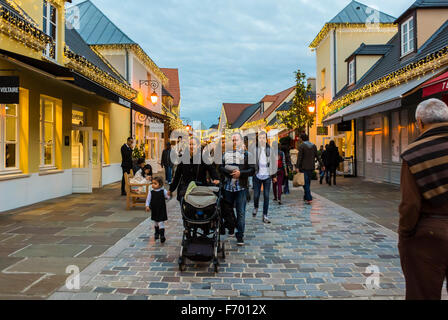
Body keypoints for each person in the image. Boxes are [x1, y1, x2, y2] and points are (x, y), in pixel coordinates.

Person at [398, 98, 448, 300]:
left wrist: (405, 233)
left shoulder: (414, 152)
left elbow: (410, 204)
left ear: (419, 123)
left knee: (423, 294)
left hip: (429, 233)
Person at [220, 132, 255, 246]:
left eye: (237, 140)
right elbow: (220, 167)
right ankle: (231, 227)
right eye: (233, 140)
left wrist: (241, 173)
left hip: (241, 187)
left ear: (241, 141)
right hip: (228, 187)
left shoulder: (247, 155)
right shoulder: (226, 154)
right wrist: (229, 172)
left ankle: (240, 235)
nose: (235, 143)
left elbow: (252, 170)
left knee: (240, 212)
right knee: (227, 210)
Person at [169, 137, 220, 202]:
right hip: (186, 188)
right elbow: (177, 175)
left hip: (200, 188)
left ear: (198, 146)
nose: (191, 146)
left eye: (193, 144)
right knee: (186, 209)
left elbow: (211, 169)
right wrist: (171, 189)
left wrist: (216, 178)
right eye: (190, 144)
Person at [252, 131, 276, 224]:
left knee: (266, 196)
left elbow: (273, 163)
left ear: (266, 139)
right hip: (257, 176)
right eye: (260, 138)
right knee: (256, 195)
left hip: (267, 176)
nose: (262, 139)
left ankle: (265, 215)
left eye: (263, 138)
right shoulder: (254, 149)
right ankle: (256, 206)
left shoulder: (270, 149)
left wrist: (273, 176)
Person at [296, 133, 323, 205]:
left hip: (304, 167)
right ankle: (305, 196)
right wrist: (322, 165)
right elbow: (317, 156)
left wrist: (297, 167)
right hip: (311, 167)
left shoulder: (302, 146)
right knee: (308, 182)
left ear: (302, 138)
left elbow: (299, 157)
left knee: (305, 183)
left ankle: (309, 198)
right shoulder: (313, 146)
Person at [146, 176, 170, 244]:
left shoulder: (163, 191)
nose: (153, 184)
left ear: (160, 184)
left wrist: (168, 195)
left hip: (161, 209)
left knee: (161, 222)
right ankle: (156, 233)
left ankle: (162, 236)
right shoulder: (151, 192)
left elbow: (168, 197)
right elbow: (148, 199)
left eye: (155, 183)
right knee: (156, 222)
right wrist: (147, 206)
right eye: (152, 183)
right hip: (154, 209)